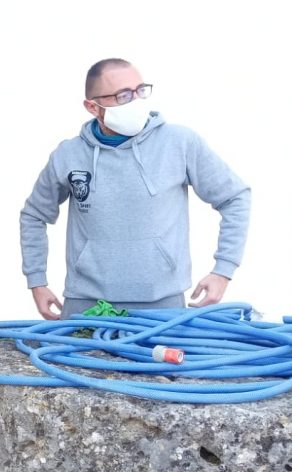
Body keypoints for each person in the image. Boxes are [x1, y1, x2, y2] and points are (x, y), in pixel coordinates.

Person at [20, 58, 250, 319]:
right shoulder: (68, 154)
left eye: (140, 90)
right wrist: (37, 281)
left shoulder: (180, 143)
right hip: (85, 305)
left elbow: (235, 197)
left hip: (162, 306)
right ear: (92, 107)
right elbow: (34, 215)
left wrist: (223, 270)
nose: (136, 102)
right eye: (123, 96)